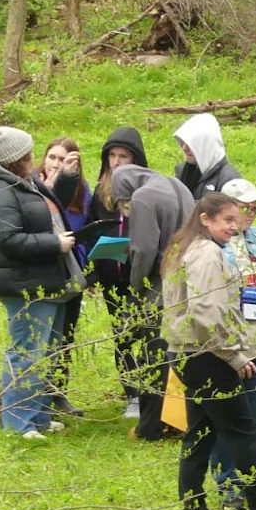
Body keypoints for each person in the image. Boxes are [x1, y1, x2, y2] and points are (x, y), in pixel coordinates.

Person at [161, 191, 256, 510]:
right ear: (205, 219)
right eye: (227, 220)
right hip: (208, 355)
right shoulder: (207, 254)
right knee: (241, 432)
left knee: (199, 435)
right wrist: (235, 355)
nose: (234, 227)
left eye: (235, 220)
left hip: (187, 352)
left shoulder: (183, 246)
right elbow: (207, 314)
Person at [0, 123, 82, 439]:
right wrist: (55, 244)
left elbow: (44, 211)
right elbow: (9, 240)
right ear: (18, 158)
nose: (34, 157)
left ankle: (38, 416)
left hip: (46, 282)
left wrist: (68, 179)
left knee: (45, 353)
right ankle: (18, 422)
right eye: (29, 153)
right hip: (24, 287)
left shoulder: (24, 183)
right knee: (26, 353)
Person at [104, 159, 196, 441]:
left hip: (157, 290)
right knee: (178, 357)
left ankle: (151, 427)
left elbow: (143, 249)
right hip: (186, 284)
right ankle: (181, 421)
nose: (125, 210)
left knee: (152, 359)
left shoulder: (143, 197)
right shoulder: (178, 186)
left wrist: (136, 285)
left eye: (123, 205)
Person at [211, 179, 256, 509]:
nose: (253, 214)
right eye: (246, 209)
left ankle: (252, 475)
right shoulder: (215, 247)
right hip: (232, 345)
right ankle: (228, 483)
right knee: (231, 420)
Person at [82, 127, 149, 422]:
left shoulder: (147, 189)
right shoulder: (101, 190)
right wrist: (94, 273)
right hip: (112, 274)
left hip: (141, 274)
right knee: (122, 334)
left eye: (123, 156)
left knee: (146, 332)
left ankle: (151, 390)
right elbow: (91, 228)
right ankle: (132, 393)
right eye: (112, 155)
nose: (117, 161)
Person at [37, 136, 89, 413]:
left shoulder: (81, 191)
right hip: (47, 272)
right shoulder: (34, 187)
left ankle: (58, 391)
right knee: (44, 334)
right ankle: (38, 396)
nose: (55, 164)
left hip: (74, 269)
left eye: (62, 159)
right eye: (52, 157)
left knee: (65, 335)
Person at [173, 113, 243, 198]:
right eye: (182, 142)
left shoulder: (230, 180)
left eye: (191, 144)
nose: (184, 148)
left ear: (206, 145)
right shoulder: (183, 172)